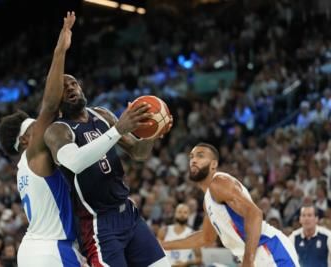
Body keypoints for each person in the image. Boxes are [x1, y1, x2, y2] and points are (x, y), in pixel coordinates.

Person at [43, 76, 173, 266]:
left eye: (74, 84)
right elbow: (74, 162)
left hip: (128, 213)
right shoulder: (57, 130)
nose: (71, 89)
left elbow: (138, 152)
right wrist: (117, 130)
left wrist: (153, 133)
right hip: (99, 224)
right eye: (63, 88)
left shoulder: (102, 115)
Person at [0, 12, 83, 267]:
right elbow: (50, 105)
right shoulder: (34, 150)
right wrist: (60, 51)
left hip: (35, 249)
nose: (44, 126)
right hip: (53, 248)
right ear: (25, 140)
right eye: (35, 126)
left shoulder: (27, 166)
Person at [161, 143, 300, 267]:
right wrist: (163, 245)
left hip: (269, 249)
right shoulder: (207, 200)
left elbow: (254, 214)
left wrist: (248, 259)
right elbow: (206, 238)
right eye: (191, 157)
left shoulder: (219, 183)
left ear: (213, 165)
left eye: (200, 156)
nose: (193, 160)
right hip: (253, 255)